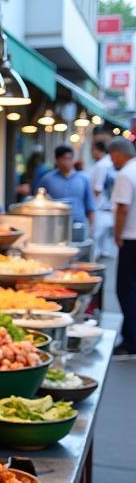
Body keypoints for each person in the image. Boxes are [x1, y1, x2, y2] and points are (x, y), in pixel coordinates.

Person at [109, 136, 136, 358]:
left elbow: (123, 209)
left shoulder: (126, 174)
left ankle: (131, 339)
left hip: (131, 238)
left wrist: (117, 236)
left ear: (118, 154)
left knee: (125, 289)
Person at [34, 145, 95, 234]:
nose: (67, 162)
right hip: (54, 224)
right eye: (64, 158)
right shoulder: (47, 179)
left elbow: (90, 205)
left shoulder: (83, 179)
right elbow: (38, 200)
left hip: (78, 224)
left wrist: (91, 228)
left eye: (70, 159)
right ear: (57, 160)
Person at [90, 138, 116, 260]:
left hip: (100, 204)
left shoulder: (101, 165)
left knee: (96, 234)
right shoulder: (111, 163)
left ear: (96, 150)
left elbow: (97, 188)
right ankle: (103, 251)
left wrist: (91, 203)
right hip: (110, 204)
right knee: (105, 235)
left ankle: (94, 256)